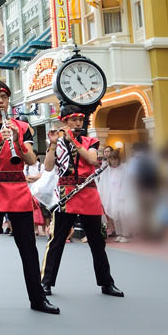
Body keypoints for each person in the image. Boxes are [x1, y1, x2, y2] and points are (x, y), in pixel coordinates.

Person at [0, 80, 56, 315]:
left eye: (4, 97)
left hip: (18, 187)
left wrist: (17, 140)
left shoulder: (22, 125)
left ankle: (37, 298)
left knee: (28, 247)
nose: (1, 101)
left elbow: (30, 161)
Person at [40, 106, 123, 297]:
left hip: (88, 192)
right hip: (65, 194)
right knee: (57, 240)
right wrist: (53, 145)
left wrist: (75, 143)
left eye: (80, 119)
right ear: (64, 122)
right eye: (73, 120)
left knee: (97, 242)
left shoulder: (90, 141)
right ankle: (46, 283)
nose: (79, 123)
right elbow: (48, 166)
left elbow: (92, 160)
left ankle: (106, 283)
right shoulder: (57, 142)